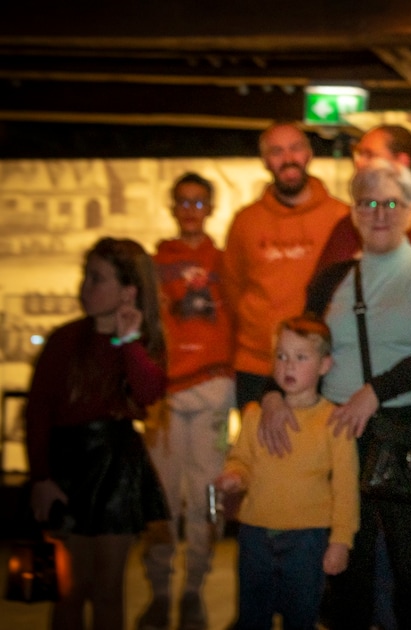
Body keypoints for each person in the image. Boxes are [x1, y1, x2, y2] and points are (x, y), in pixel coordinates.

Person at [260, 161, 411, 628]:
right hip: (334, 434)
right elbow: (301, 341)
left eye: (391, 202)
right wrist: (273, 393)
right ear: (353, 212)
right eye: (367, 203)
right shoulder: (332, 278)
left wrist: (375, 391)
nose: (379, 213)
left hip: (403, 435)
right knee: (345, 563)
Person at [24, 237, 169, 630]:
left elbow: (148, 392)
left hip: (115, 470)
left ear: (128, 291)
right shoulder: (64, 341)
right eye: (85, 277)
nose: (85, 288)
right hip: (68, 467)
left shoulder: (137, 343)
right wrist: (41, 478)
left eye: (97, 279)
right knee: (69, 590)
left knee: (108, 589)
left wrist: (128, 340)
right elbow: (37, 412)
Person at [136, 172, 236, 630]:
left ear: (210, 208)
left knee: (204, 498)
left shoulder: (225, 260)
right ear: (173, 207)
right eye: (183, 202)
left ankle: (193, 587)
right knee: (159, 499)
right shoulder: (156, 263)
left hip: (215, 389)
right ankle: (159, 591)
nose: (191, 209)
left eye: (199, 202)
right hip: (166, 396)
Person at [215, 314, 358, 630]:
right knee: (251, 617)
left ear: (325, 365)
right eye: (281, 356)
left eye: (301, 357)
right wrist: (234, 476)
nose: (288, 366)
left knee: (300, 617)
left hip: (307, 538)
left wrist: (341, 541)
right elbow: (243, 461)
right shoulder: (254, 415)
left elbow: (346, 488)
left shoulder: (334, 422)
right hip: (254, 533)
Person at [222, 121, 350, 410]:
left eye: (295, 148)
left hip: (322, 365)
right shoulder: (245, 222)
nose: (288, 158)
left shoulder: (340, 217)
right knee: (258, 452)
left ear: (308, 154)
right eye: (277, 151)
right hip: (257, 364)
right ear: (266, 160)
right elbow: (232, 290)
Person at [309, 123, 411, 320]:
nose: (359, 163)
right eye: (359, 154)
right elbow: (319, 297)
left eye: (369, 155)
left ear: (401, 163)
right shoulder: (348, 226)